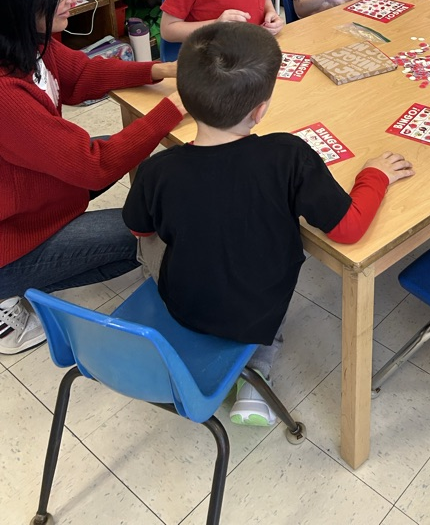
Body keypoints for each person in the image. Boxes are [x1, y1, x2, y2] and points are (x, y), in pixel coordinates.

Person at [122, 23, 414, 424]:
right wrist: (374, 175)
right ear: (260, 110)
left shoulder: (158, 169)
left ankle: (204, 357)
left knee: (164, 239)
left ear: (184, 98)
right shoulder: (287, 155)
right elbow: (348, 229)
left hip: (182, 305)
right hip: (259, 311)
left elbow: (139, 229)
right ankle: (256, 374)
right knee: (250, 296)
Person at [0, 0, 184, 355]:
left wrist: (157, 70)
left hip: (31, 199)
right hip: (12, 239)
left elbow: (81, 73)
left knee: (111, 144)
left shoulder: (28, 40)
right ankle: (12, 289)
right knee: (148, 235)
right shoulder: (5, 93)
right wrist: (175, 107)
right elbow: (94, 164)